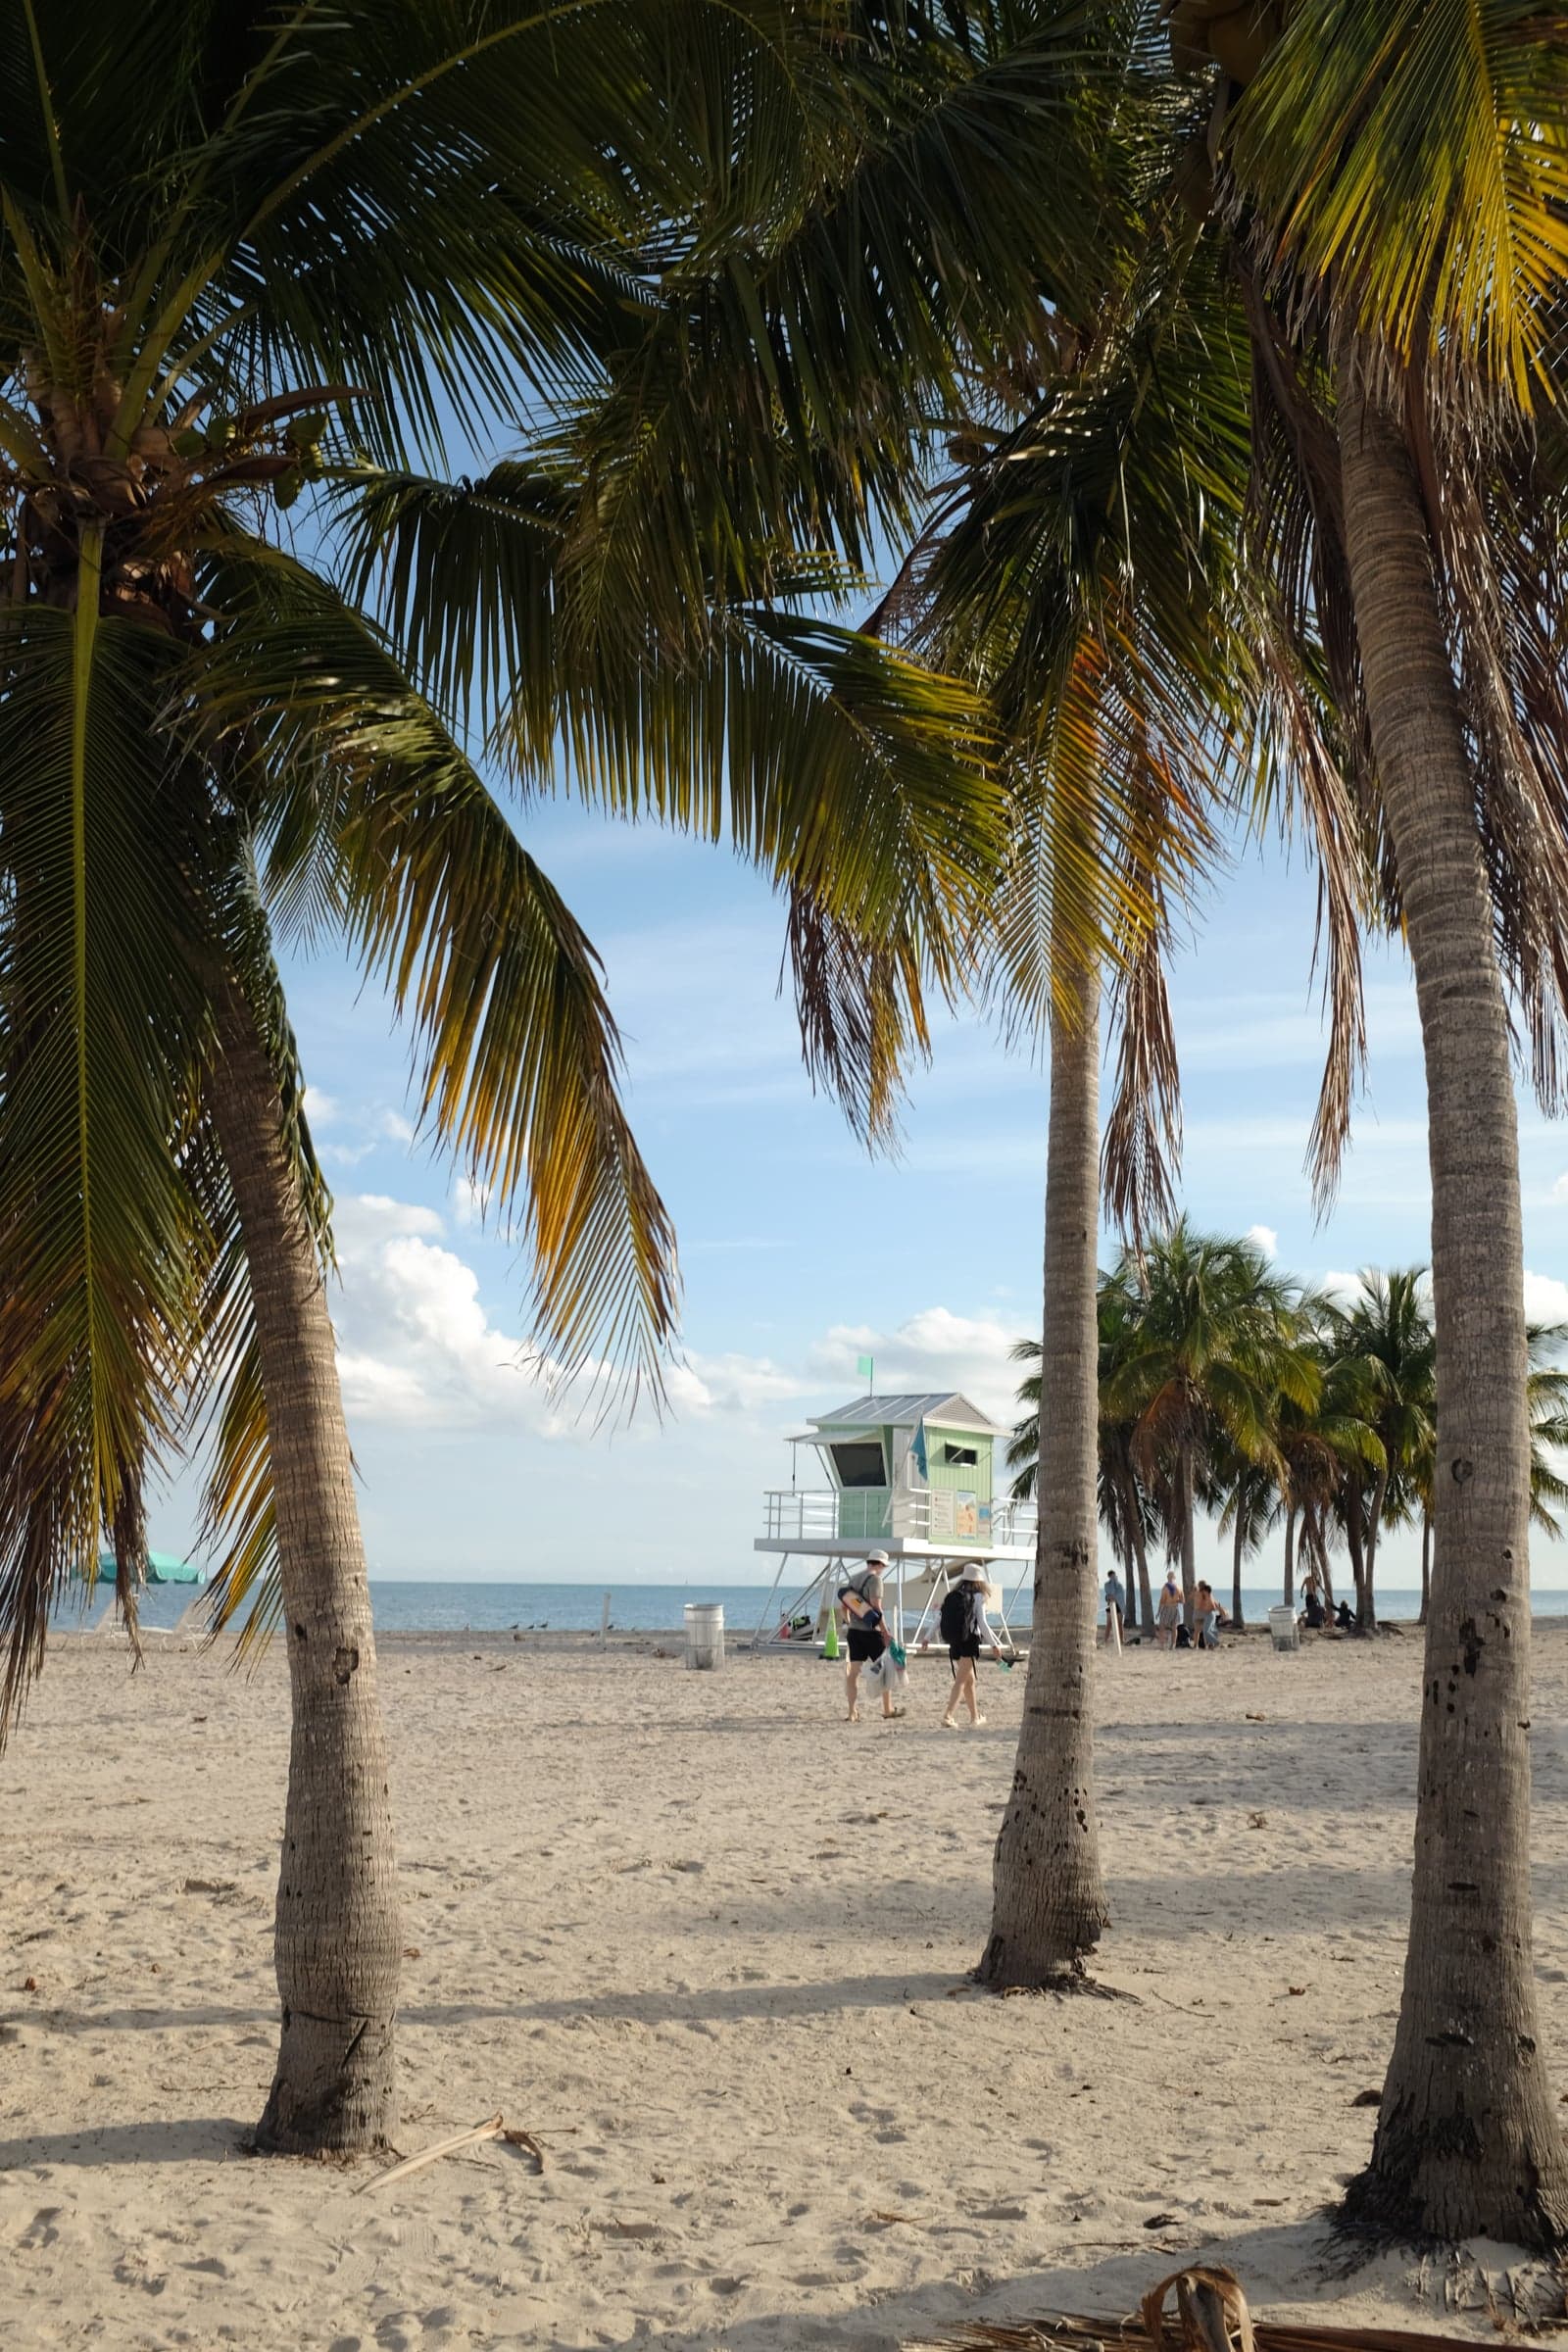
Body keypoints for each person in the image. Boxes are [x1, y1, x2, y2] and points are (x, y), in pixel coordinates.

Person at [838, 1555, 904, 1722]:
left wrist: (849, 1622)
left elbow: (843, 1608)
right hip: (872, 1633)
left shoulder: (854, 1579)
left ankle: (852, 1712)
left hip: (854, 1632)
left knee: (853, 1673)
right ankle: (887, 1709)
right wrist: (885, 1631)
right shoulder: (875, 1580)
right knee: (885, 1669)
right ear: (880, 1564)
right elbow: (877, 1608)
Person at [939, 1563, 1004, 1728]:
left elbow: (940, 1618)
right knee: (961, 1680)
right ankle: (948, 1715)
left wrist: (926, 1637)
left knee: (969, 1680)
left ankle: (975, 1717)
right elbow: (982, 1623)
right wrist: (994, 1644)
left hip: (955, 1641)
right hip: (969, 1641)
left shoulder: (954, 1594)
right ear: (979, 1580)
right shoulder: (978, 1596)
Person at [1193, 1581, 1229, 1649]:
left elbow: (1214, 1606)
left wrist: (1220, 1611)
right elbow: (1215, 1604)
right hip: (1206, 1614)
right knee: (1208, 1630)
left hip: (1207, 1614)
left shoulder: (1205, 1595)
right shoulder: (1207, 1595)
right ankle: (1210, 1644)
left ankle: (1213, 1643)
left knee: (1205, 1630)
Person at [1154, 1572, 1184, 1650]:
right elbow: (1183, 1601)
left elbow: (1162, 1601)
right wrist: (1176, 1600)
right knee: (1174, 1628)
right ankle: (1173, 1645)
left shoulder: (1165, 1587)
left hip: (1167, 1608)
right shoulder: (1179, 1587)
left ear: (1167, 1577)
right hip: (1175, 1609)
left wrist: (1158, 1612)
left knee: (1162, 1627)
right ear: (1174, 1577)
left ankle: (1162, 1645)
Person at [1102, 1568, 1125, 1646]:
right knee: (1109, 1624)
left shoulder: (1120, 1585)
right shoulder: (1107, 1585)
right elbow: (1110, 1593)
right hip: (1111, 1605)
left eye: (1114, 1576)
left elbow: (1119, 1596)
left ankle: (1121, 1640)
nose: (1113, 1577)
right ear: (1109, 1577)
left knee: (1120, 1624)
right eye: (1111, 1576)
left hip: (1119, 1606)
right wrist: (1112, 1583)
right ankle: (1106, 1640)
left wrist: (1112, 1596)